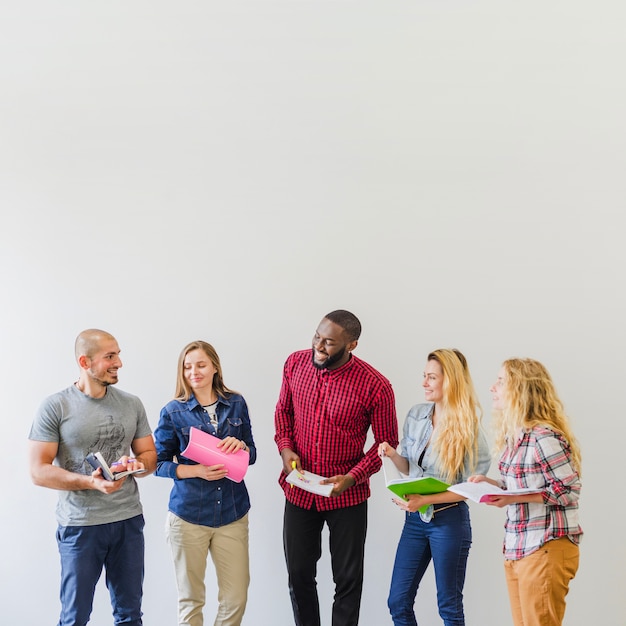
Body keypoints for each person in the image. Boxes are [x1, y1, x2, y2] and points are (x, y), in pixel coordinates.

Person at [274, 309, 398, 626]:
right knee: (298, 574)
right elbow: (283, 413)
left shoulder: (376, 386)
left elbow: (387, 443)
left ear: (351, 345)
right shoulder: (294, 364)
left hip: (347, 496)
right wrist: (286, 449)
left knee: (348, 581)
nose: (319, 345)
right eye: (317, 336)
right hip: (299, 491)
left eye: (329, 342)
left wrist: (353, 477)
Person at [28, 329, 157, 626]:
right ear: (85, 362)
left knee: (130, 616)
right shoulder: (55, 406)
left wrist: (135, 465)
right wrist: (91, 482)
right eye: (110, 356)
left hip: (128, 522)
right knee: (75, 618)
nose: (119, 363)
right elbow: (38, 471)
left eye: (119, 354)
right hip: (80, 527)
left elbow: (149, 456)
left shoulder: (131, 403)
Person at [378, 348, 491, 626]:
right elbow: (409, 468)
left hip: (449, 521)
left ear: (449, 381)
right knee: (398, 601)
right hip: (415, 521)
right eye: (424, 376)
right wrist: (393, 455)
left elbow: (472, 488)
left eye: (431, 377)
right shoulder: (417, 414)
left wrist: (426, 500)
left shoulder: (469, 429)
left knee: (449, 606)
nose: (424, 383)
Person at [469, 358, 582, 626]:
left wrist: (512, 496)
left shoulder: (544, 436)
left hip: (545, 545)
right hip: (519, 547)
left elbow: (569, 490)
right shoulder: (517, 437)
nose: (492, 387)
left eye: (500, 381)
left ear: (521, 389)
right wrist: (494, 485)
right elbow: (525, 486)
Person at [154, 340, 257, 626]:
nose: (193, 372)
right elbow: (157, 464)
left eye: (200, 365)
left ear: (214, 367)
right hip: (188, 516)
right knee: (191, 600)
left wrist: (242, 448)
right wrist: (195, 471)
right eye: (187, 367)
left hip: (233, 514)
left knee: (236, 598)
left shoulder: (236, 403)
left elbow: (252, 453)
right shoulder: (173, 411)